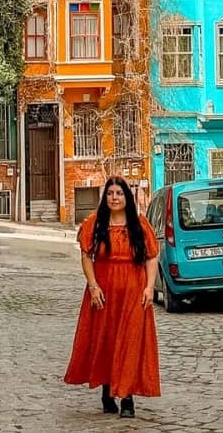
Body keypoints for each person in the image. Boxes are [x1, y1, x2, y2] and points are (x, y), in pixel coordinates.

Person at [64, 176, 161, 418]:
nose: (114, 197)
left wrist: (150, 287)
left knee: (129, 341)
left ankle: (127, 398)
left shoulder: (139, 224)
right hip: (104, 291)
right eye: (110, 193)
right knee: (105, 339)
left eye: (119, 193)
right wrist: (93, 286)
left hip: (133, 291)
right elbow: (87, 256)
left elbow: (151, 256)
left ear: (126, 197)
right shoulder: (95, 224)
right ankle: (108, 389)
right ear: (105, 197)